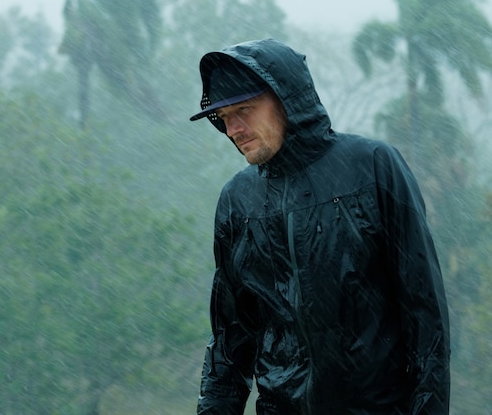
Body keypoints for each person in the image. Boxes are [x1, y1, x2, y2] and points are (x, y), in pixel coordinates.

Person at [189, 38, 450, 415]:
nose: (234, 129)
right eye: (225, 117)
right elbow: (231, 342)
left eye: (244, 110)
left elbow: (426, 321)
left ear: (287, 99)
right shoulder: (237, 200)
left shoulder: (373, 168)